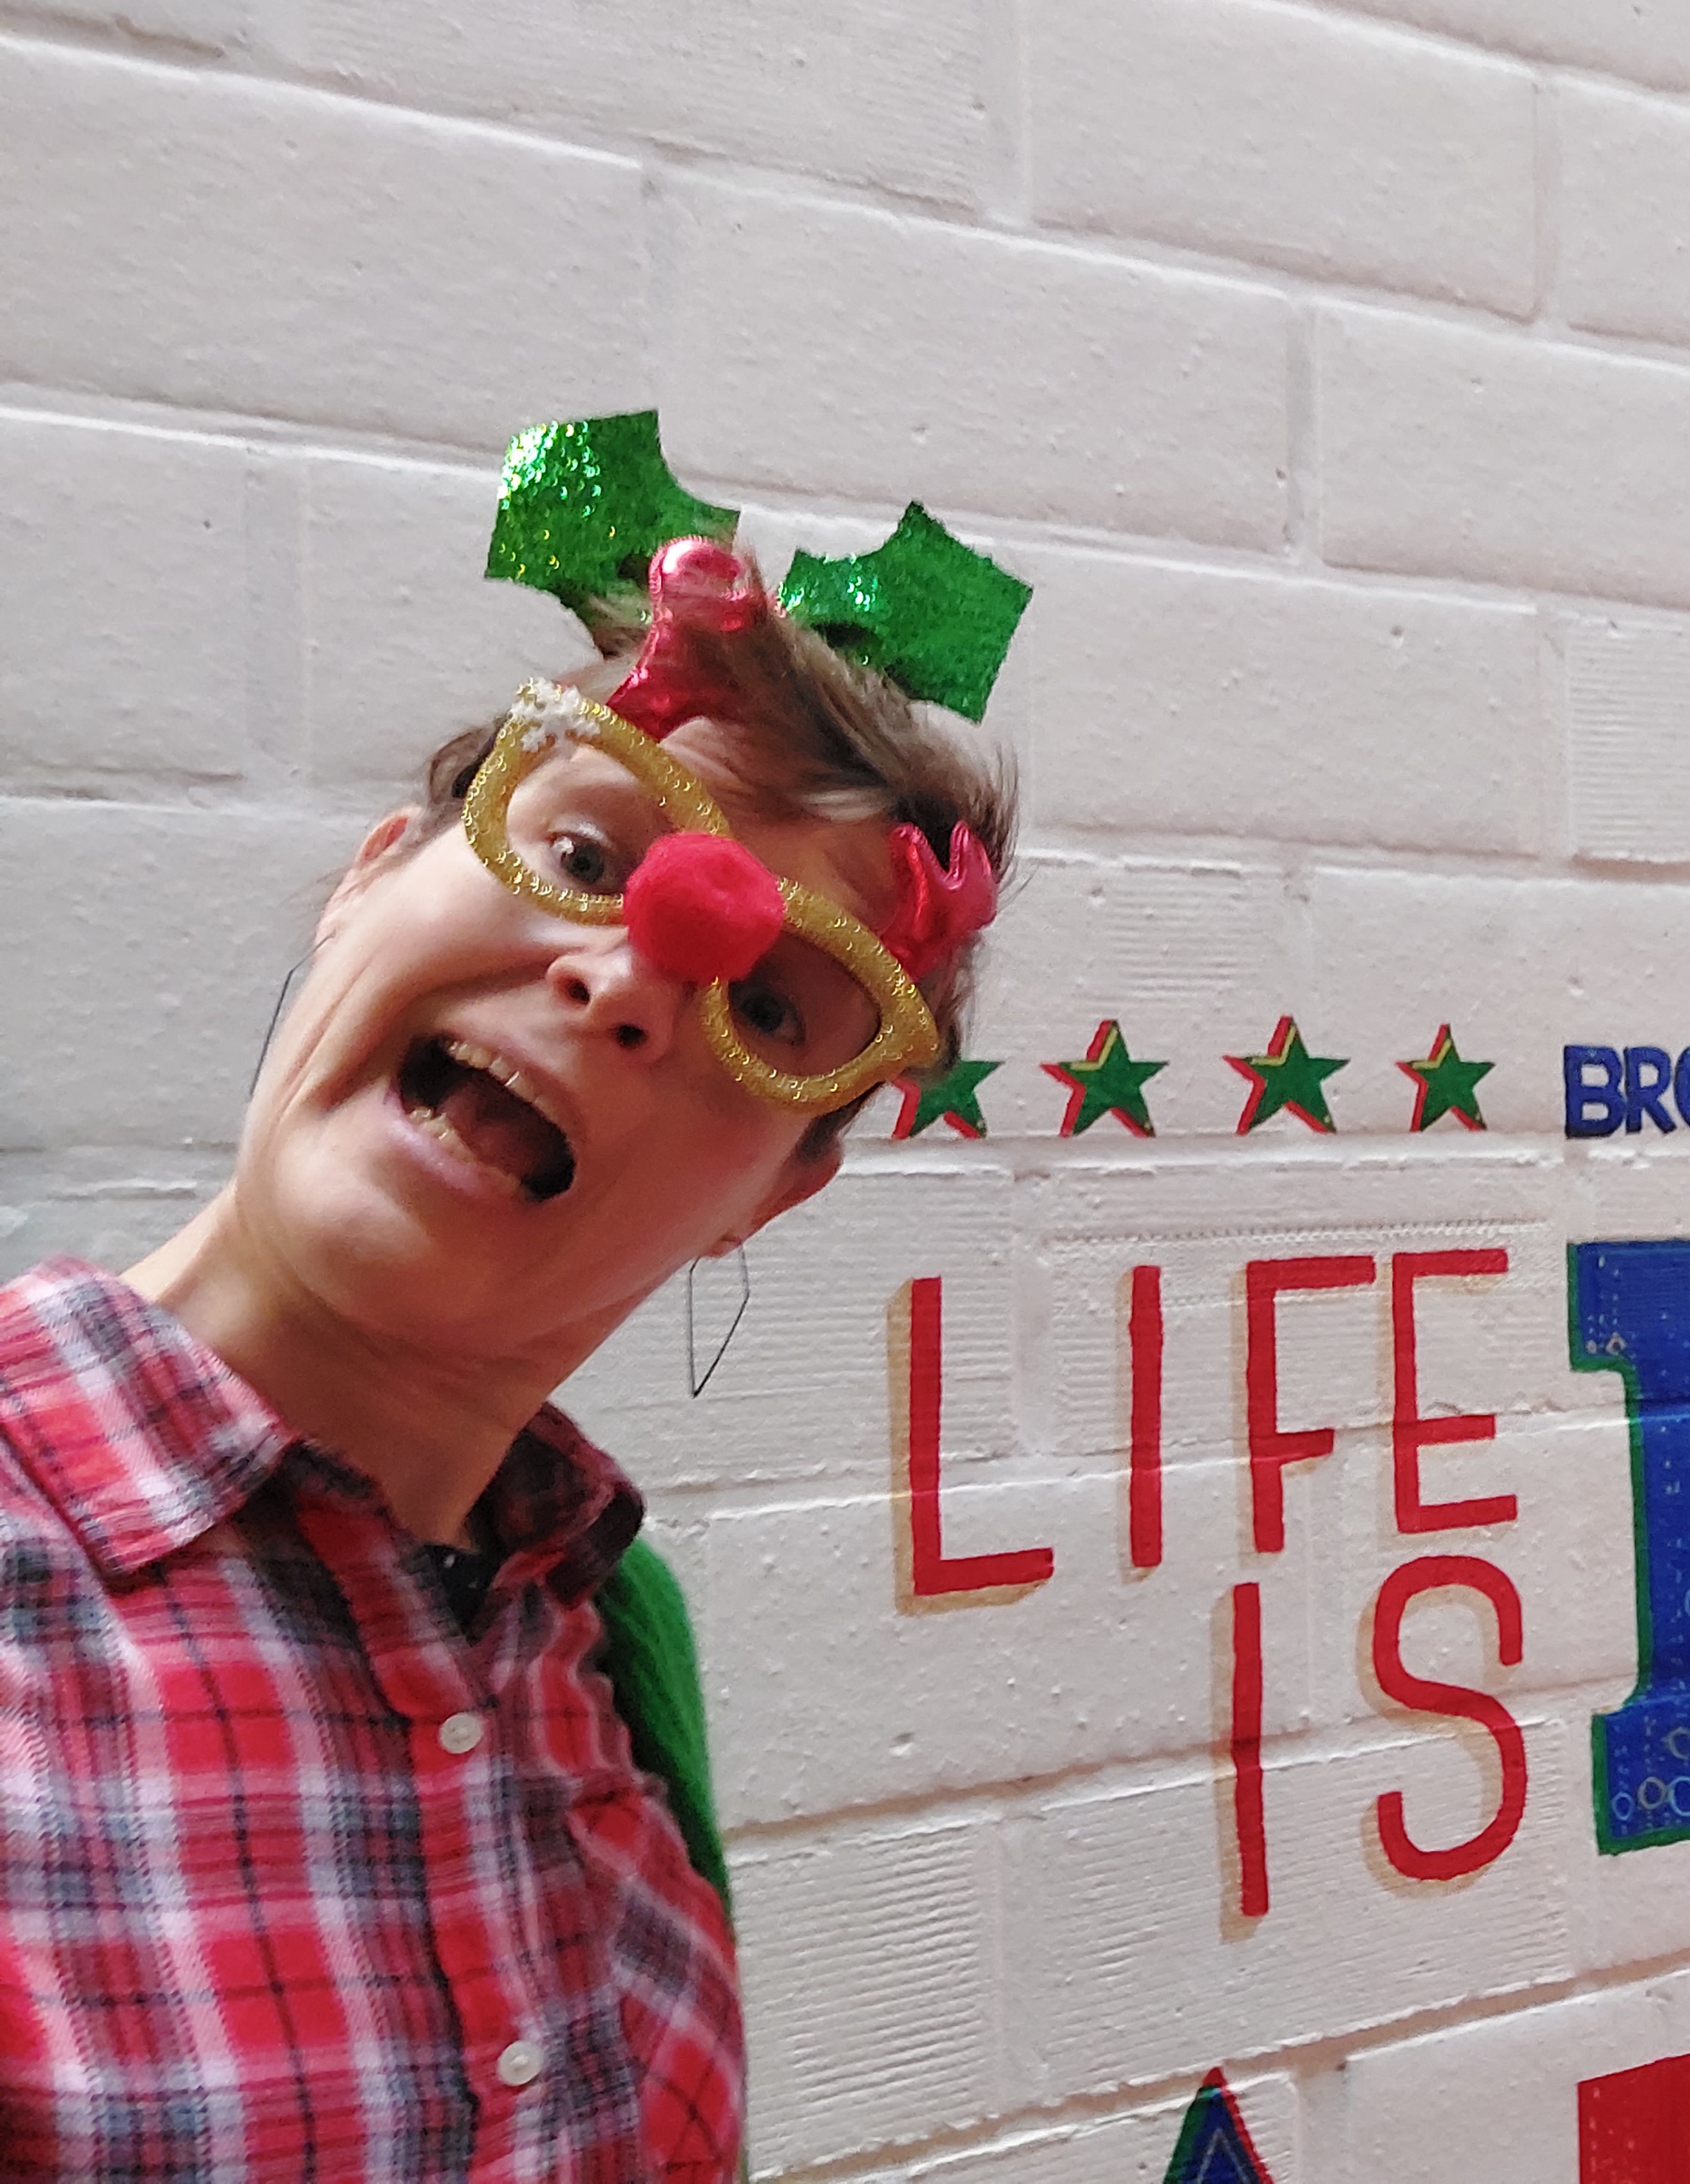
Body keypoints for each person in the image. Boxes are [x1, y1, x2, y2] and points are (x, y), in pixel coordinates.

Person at [0, 418, 1019, 2180]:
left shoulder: (611, 1641)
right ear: (369, 881)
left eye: (772, 1009)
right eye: (587, 854)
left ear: (775, 1197)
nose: (627, 984)